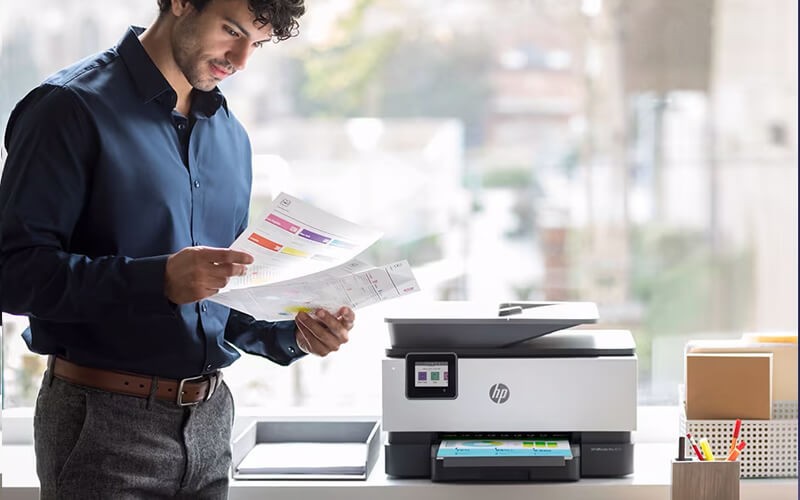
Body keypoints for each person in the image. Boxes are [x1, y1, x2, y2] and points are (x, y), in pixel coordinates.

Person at [0, 0, 355, 498]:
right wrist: (157, 281)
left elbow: (222, 300)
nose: (240, 59)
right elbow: (14, 273)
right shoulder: (67, 108)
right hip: (103, 425)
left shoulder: (229, 135)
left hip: (211, 425)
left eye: (256, 42)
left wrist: (296, 331)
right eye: (231, 30)